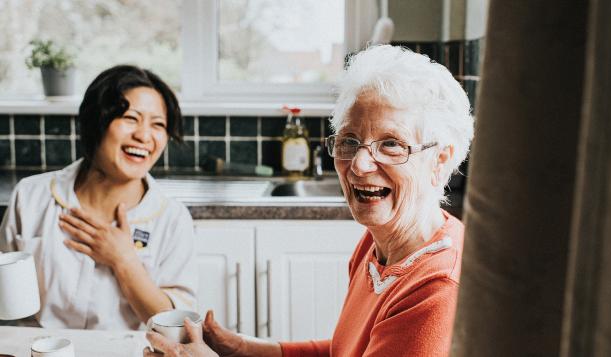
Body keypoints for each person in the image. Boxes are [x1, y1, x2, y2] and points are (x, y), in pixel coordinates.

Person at [144, 44, 474, 356]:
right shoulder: (378, 247)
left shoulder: (438, 290)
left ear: (440, 161)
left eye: (391, 144)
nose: (359, 164)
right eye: (349, 140)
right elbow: (346, 351)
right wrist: (246, 349)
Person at [0, 65, 197, 330]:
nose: (144, 135)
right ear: (96, 122)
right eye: (130, 118)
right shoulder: (31, 196)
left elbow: (178, 329)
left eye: (158, 124)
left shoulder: (173, 219)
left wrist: (124, 260)